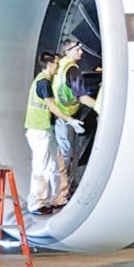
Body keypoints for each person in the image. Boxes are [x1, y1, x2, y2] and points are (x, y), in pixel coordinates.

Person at [25, 53, 82, 214]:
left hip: (44, 130)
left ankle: (55, 198)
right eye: (56, 63)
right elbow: (52, 106)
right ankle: (36, 203)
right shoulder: (44, 83)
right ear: (49, 65)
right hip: (39, 131)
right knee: (41, 167)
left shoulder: (42, 81)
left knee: (55, 164)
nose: (58, 66)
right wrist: (70, 120)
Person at [52, 38, 96, 204]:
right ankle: (63, 193)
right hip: (67, 117)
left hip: (62, 115)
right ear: (68, 51)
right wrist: (101, 107)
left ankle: (65, 190)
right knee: (67, 155)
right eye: (78, 49)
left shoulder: (61, 65)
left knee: (66, 154)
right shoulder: (72, 70)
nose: (81, 52)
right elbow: (83, 97)